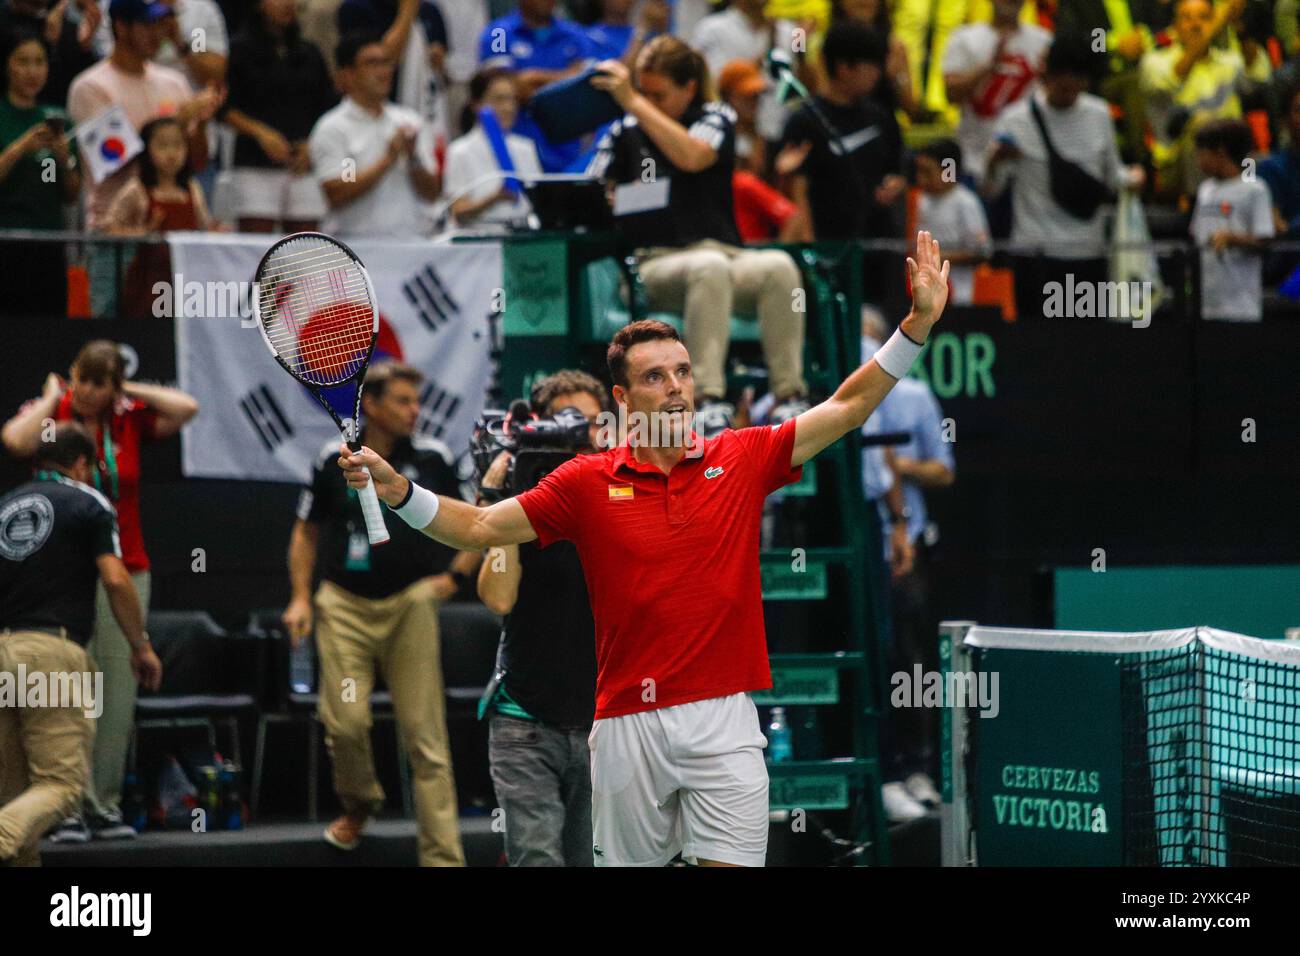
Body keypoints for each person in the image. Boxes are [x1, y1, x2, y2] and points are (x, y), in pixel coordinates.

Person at [338, 229, 951, 867]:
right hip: (627, 724)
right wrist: (398, 488)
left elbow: (848, 407)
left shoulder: (741, 456)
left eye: (684, 372)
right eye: (656, 377)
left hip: (723, 721)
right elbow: (476, 528)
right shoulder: (583, 482)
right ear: (625, 400)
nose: (677, 387)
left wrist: (914, 325)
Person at [282, 361, 479, 866]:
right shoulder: (332, 459)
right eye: (403, 401)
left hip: (410, 604)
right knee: (345, 722)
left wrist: (453, 578)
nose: (415, 411)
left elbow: (477, 518)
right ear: (369, 405)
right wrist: (302, 597)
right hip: (342, 605)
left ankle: (444, 860)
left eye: (418, 402)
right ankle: (361, 803)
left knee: (426, 740)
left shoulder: (433, 458)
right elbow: (305, 532)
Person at [1, 341, 197, 843]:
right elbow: (14, 440)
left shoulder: (127, 417)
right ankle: (59, 807)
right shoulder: (55, 416)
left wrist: (125, 389)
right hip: (65, 570)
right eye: (82, 380)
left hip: (125, 565)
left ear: (112, 387)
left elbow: (186, 408)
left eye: (99, 383)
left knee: (114, 687)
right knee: (65, 686)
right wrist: (52, 396)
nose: (88, 392)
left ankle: (100, 804)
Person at [588, 36, 810, 436]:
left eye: (660, 94)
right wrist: (614, 194)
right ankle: (707, 400)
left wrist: (634, 102)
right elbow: (590, 189)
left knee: (779, 266)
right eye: (643, 93)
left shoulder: (715, 117)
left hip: (725, 255)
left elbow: (692, 156)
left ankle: (788, 396)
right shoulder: (625, 130)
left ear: (689, 88)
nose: (647, 102)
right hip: (655, 262)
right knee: (708, 269)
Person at [0, 424, 162, 867]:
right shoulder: (88, 502)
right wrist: (140, 645)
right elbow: (115, 578)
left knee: (15, 801)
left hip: (2, 655)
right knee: (63, 787)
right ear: (81, 464)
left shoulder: (5, 506)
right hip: (52, 653)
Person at [476, 370, 605, 866]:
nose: (578, 435)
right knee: (537, 859)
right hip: (525, 722)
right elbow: (498, 597)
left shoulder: (624, 495)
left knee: (595, 859)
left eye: (589, 424)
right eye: (564, 424)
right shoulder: (527, 502)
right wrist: (503, 503)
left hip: (604, 725)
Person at [67, 0, 223, 316]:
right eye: (147, 25)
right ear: (120, 28)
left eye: (162, 24)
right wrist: (178, 120)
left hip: (171, 240)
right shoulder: (91, 86)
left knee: (169, 339)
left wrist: (202, 122)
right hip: (117, 238)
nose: (159, 33)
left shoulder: (173, 82)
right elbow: (112, 159)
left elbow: (198, 161)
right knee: (110, 336)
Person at [860, 313, 954, 820]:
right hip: (864, 551)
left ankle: (918, 770)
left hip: (907, 549)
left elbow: (943, 469)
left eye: (867, 339)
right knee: (876, 657)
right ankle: (885, 772)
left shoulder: (915, 396)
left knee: (911, 663)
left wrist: (900, 469)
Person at [985, 35, 1142, 320]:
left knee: (1084, 344)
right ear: (1047, 77)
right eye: (1062, 85)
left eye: (1077, 85)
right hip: (1034, 255)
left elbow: (1111, 175)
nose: (1070, 92)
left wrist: (1132, 178)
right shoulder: (1015, 120)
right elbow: (992, 189)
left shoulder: (1099, 114)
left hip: (1088, 253)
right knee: (1038, 343)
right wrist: (994, 162)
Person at [780, 19, 905, 243]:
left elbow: (898, 169)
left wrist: (895, 185)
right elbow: (798, 188)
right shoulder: (804, 122)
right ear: (844, 68)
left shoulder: (881, 117)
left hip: (878, 243)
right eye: (872, 66)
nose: (878, 74)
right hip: (828, 245)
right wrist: (809, 243)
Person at [308, 30, 441, 237]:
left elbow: (432, 194)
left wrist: (413, 157)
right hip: (353, 246)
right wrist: (387, 160)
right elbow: (339, 191)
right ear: (347, 74)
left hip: (409, 243)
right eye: (372, 64)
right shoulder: (336, 127)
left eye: (387, 63)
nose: (384, 72)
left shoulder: (409, 122)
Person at [222, 0, 336, 233]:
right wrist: (260, 132)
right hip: (255, 162)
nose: (287, 4)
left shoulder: (309, 52)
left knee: (306, 244)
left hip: (302, 164)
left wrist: (311, 146)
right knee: (256, 248)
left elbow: (327, 107)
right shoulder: (238, 49)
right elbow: (223, 107)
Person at [102, 116, 221, 317]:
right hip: (148, 281)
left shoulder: (192, 189)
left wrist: (216, 232)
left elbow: (204, 227)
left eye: (178, 145)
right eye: (163, 145)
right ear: (147, 150)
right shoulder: (137, 190)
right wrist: (144, 233)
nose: (172, 153)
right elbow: (107, 228)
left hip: (186, 280)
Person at [0, 28, 81, 318]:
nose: (32, 71)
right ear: (7, 64)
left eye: (39, 62)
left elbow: (71, 193)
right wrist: (21, 147)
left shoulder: (56, 118)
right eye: (23, 61)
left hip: (48, 243)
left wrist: (63, 158)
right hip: (6, 241)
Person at [1140, 0, 1247, 199]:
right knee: (1203, 124)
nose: (1196, 25)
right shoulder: (1154, 62)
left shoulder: (1230, 61)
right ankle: (1204, 203)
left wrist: (1240, 26)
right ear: (1174, 26)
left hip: (1234, 157)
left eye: (1204, 17)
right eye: (1187, 18)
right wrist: (1216, 24)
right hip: (1175, 163)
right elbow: (1173, 79)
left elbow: (1260, 81)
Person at [476, 0, 595, 171]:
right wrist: (568, 78)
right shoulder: (498, 32)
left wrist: (535, 77)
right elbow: (506, 88)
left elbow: (588, 86)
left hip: (568, 157)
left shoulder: (575, 34)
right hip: (512, 153)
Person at [941, 0, 1051, 183]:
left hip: (1026, 166)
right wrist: (989, 66)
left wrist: (1046, 76)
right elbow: (951, 95)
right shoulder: (964, 37)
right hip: (972, 161)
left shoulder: (1043, 41)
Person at [1189, 117, 1273, 321]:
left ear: (1221, 152)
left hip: (1240, 305)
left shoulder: (1254, 189)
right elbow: (1197, 236)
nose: (1197, 160)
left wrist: (1233, 239)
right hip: (1206, 303)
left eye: (1202, 153)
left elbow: (1265, 240)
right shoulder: (1205, 190)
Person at [442, 66, 541, 228]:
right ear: (477, 105)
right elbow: (457, 210)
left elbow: (536, 201)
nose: (508, 107)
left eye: (512, 99)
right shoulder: (459, 151)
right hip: (477, 243)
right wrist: (495, 198)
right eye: (499, 99)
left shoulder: (526, 148)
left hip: (519, 241)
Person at [913, 138, 990, 307]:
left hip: (959, 294)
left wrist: (939, 258)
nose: (921, 179)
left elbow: (982, 251)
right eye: (918, 172)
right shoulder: (921, 200)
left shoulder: (965, 202)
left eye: (927, 172)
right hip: (924, 292)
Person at [0, 0, 100, 106]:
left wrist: (84, 47)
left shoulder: (65, 26)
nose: (32, 72)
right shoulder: (4, 23)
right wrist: (48, 43)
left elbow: (78, 84)